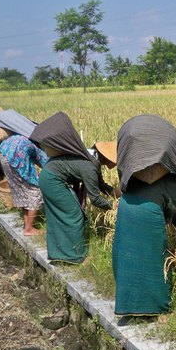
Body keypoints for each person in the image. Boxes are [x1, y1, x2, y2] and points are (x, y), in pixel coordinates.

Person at [112, 115, 176, 316]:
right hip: (149, 212)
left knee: (127, 256)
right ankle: (157, 308)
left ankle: (128, 305)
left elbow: (167, 207)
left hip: (126, 206)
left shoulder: (153, 174)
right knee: (156, 260)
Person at [30, 112, 114, 263]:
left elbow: (100, 185)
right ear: (106, 159)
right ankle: (74, 256)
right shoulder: (90, 166)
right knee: (74, 215)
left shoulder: (90, 158)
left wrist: (116, 193)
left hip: (49, 177)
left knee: (60, 216)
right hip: (52, 181)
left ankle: (61, 253)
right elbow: (95, 199)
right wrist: (113, 207)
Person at [0, 109, 48, 236]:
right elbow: (39, 156)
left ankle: (27, 224)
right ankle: (29, 229)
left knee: (22, 192)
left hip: (8, 165)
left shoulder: (4, 143)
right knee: (34, 192)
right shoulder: (21, 139)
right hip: (20, 167)